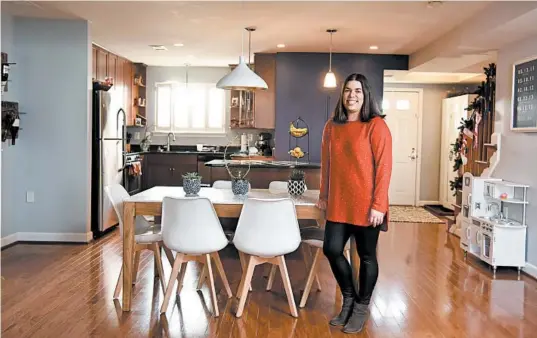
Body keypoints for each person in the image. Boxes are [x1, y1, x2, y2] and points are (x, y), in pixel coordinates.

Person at [316, 73, 392, 334]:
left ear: (365, 94)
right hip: (338, 202)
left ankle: (361, 306)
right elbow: (327, 165)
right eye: (348, 90)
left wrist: (379, 204)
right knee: (332, 249)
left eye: (358, 91)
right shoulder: (331, 126)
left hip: (368, 205)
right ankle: (348, 297)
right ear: (342, 95)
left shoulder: (376, 126)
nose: (352, 95)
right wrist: (324, 196)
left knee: (367, 256)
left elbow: (384, 168)